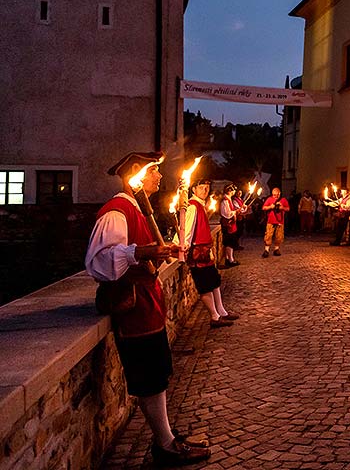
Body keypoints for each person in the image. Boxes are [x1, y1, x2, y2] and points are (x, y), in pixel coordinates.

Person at [85, 151, 210, 466]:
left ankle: (166, 436)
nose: (160, 176)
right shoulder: (117, 210)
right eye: (155, 170)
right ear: (138, 172)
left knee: (158, 373)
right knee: (149, 377)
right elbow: (99, 261)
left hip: (148, 304)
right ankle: (164, 445)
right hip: (134, 309)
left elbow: (140, 252)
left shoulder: (139, 208)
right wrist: (140, 252)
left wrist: (160, 250)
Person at [178, 178, 239, 329]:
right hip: (198, 254)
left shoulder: (200, 205)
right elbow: (187, 229)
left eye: (207, 188)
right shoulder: (192, 206)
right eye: (201, 188)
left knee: (214, 282)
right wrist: (182, 246)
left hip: (205, 252)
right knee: (205, 285)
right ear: (193, 190)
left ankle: (222, 311)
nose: (205, 190)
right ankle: (214, 316)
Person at [261, 187, 289, 257]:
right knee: (268, 235)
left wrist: (282, 208)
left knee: (279, 236)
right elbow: (263, 207)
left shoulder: (283, 200)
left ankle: (276, 249)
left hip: (280, 221)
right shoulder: (269, 199)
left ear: (279, 194)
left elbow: (288, 208)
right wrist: (270, 207)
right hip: (270, 221)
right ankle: (266, 250)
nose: (275, 196)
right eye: (273, 195)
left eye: (276, 195)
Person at [219, 184, 242, 267]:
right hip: (227, 224)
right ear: (229, 191)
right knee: (229, 243)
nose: (234, 192)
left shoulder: (228, 200)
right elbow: (227, 213)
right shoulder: (225, 201)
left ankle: (229, 259)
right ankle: (230, 260)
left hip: (231, 224)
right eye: (233, 190)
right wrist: (235, 212)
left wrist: (237, 210)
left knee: (230, 242)